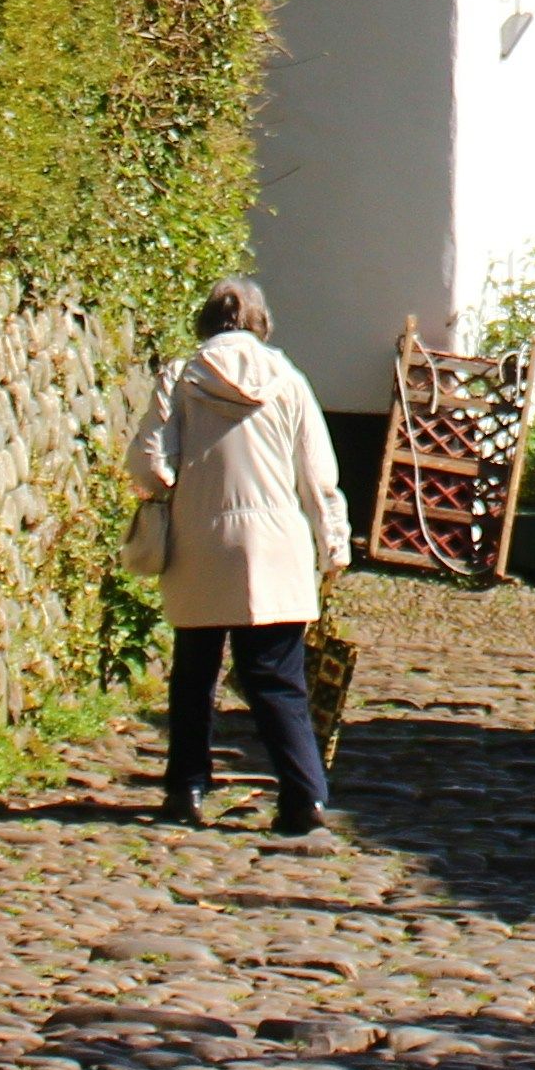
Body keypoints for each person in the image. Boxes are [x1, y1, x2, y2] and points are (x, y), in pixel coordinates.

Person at [125, 277, 354, 836]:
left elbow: (150, 465)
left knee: (194, 675)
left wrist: (174, 486)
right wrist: (334, 546)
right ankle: (304, 800)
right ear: (261, 323)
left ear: (205, 321)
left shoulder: (181, 377)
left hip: (201, 543)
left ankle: (186, 789)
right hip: (277, 547)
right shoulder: (290, 381)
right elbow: (318, 477)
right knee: (277, 678)